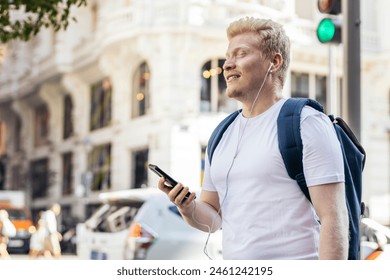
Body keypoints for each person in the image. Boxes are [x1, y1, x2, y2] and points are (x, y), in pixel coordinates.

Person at [158, 17, 349, 260]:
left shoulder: (306, 122)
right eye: (228, 56)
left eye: (241, 54)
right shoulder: (221, 134)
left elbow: (334, 218)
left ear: (274, 62)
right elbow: (214, 219)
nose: (227, 64)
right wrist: (188, 207)